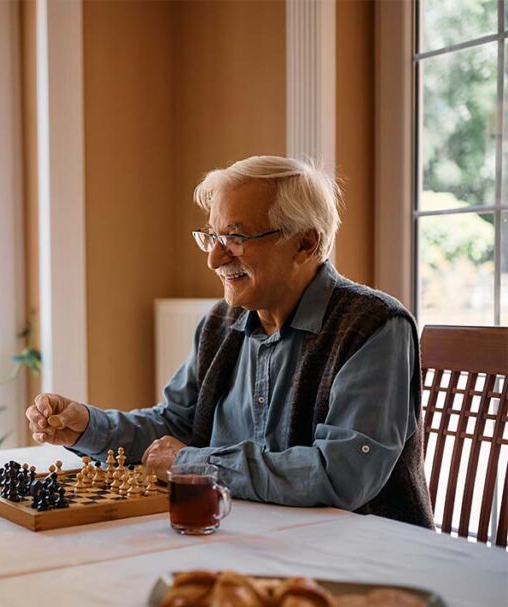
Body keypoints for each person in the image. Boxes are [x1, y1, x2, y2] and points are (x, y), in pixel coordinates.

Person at [26, 156, 434, 528]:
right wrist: (87, 427)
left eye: (236, 238)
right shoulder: (221, 323)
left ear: (305, 243)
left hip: (360, 561)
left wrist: (193, 463)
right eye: (211, 237)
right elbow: (176, 425)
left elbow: (340, 475)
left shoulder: (374, 326)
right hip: (245, 539)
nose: (215, 259)